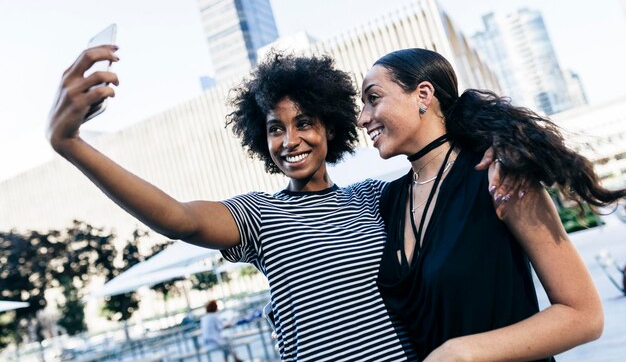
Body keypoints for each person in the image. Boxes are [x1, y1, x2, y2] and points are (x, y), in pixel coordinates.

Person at [48, 47, 425, 361]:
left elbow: (442, 171)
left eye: (304, 123)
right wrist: (71, 144)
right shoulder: (260, 214)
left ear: (329, 128)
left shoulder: (373, 198)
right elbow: (179, 219)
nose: (289, 140)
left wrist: (486, 136)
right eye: (275, 128)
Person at [358, 48, 626, 362]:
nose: (362, 118)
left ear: (423, 94)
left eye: (373, 98)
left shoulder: (500, 177)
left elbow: (583, 315)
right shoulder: (386, 201)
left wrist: (462, 352)